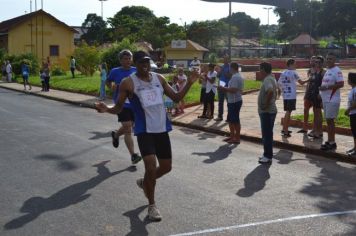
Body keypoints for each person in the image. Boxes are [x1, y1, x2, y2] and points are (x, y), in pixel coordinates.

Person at [95, 50, 199, 221]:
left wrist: (190, 82)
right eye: (141, 62)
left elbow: (176, 97)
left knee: (166, 167)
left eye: (147, 62)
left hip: (162, 129)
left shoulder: (159, 78)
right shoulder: (128, 83)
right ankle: (152, 205)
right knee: (150, 168)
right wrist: (107, 109)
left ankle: (145, 182)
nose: (145, 65)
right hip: (144, 131)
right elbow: (119, 107)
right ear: (135, 64)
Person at [105, 49, 142, 165]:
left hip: (134, 103)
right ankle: (133, 155)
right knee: (128, 128)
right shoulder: (115, 71)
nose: (128, 60)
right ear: (120, 60)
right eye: (125, 59)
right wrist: (112, 87)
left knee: (129, 125)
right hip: (121, 103)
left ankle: (115, 135)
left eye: (129, 58)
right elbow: (108, 81)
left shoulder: (136, 70)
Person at [319, 52, 344, 151]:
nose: (328, 60)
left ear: (335, 60)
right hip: (325, 100)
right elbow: (324, 84)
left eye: (331, 59)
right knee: (328, 121)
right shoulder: (328, 70)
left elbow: (341, 84)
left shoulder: (337, 70)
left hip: (332, 100)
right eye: (327, 58)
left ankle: (332, 142)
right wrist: (321, 97)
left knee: (330, 121)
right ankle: (329, 141)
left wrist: (327, 87)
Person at [258, 62, 280, 164]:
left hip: (267, 111)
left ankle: (267, 156)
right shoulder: (271, 78)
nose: (259, 72)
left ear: (263, 70)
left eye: (260, 69)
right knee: (268, 134)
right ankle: (267, 154)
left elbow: (270, 91)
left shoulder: (267, 79)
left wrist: (266, 105)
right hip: (269, 110)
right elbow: (276, 91)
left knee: (266, 134)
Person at [218, 62, 243, 144]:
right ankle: (232, 136)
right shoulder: (235, 76)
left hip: (235, 101)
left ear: (232, 68)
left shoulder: (236, 77)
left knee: (235, 120)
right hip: (232, 100)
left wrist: (223, 88)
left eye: (230, 68)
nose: (229, 69)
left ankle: (237, 138)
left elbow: (234, 90)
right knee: (230, 120)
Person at [299, 56, 325, 138]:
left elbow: (324, 85)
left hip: (318, 96)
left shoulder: (323, 72)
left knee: (318, 114)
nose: (316, 63)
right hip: (312, 94)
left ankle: (318, 131)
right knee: (316, 113)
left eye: (318, 62)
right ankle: (317, 131)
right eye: (315, 62)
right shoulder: (314, 72)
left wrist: (321, 95)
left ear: (322, 63)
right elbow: (310, 82)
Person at [278, 59, 304, 137]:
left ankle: (284, 128)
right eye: (295, 64)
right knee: (288, 112)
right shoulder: (294, 73)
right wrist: (310, 79)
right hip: (291, 95)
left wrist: (282, 91)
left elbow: (279, 83)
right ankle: (285, 130)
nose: (296, 65)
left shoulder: (283, 72)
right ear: (291, 64)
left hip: (285, 95)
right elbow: (301, 82)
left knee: (287, 111)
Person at [216, 55, 231, 121]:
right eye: (224, 59)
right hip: (221, 86)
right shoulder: (221, 66)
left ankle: (229, 117)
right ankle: (220, 116)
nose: (224, 60)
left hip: (227, 86)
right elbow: (218, 76)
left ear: (228, 60)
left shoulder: (230, 67)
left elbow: (229, 76)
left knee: (228, 102)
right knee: (220, 102)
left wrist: (223, 71)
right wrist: (219, 72)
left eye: (226, 59)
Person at [344, 72, 356, 157]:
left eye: (348, 79)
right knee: (354, 132)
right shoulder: (353, 89)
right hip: (353, 113)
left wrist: (348, 110)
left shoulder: (355, 90)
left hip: (355, 113)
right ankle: (355, 148)